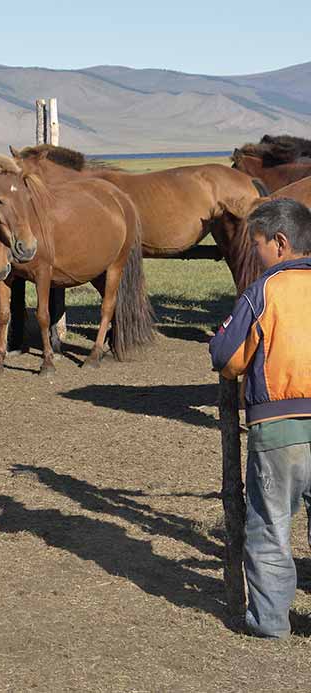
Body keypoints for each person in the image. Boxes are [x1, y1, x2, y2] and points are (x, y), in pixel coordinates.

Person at [210, 198, 311, 638]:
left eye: (258, 246)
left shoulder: (264, 291)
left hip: (280, 428)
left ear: (281, 243)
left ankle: (270, 622)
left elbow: (228, 359)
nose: (255, 255)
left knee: (270, 525)